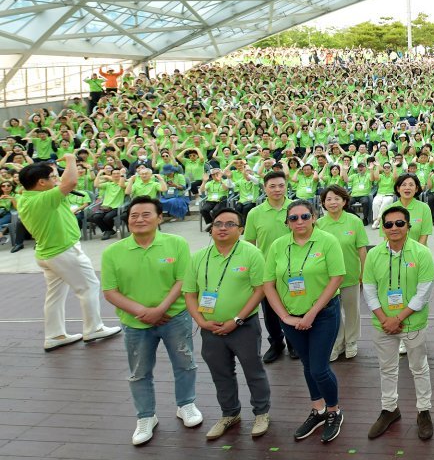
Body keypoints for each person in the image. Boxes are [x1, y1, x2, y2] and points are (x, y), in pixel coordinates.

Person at [100, 196, 200, 445]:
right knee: (139, 372)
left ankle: (186, 404)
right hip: (135, 323)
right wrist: (143, 311)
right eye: (134, 215)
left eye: (146, 214)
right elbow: (110, 291)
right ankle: (146, 416)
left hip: (174, 317)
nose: (139, 219)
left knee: (185, 362)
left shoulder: (176, 244)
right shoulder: (113, 252)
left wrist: (160, 309)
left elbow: (183, 280)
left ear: (159, 218)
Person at [262, 200, 348, 443]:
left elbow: (337, 277)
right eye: (293, 218)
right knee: (308, 365)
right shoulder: (279, 246)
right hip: (290, 317)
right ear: (287, 222)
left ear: (313, 217)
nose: (299, 222)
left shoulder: (327, 241)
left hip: (322, 314)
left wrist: (311, 313)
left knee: (319, 368)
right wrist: (284, 316)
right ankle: (318, 409)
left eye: (304, 216)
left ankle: (334, 411)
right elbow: (268, 283)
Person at [182, 207, 272, 440]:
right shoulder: (199, 257)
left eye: (230, 224)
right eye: (218, 223)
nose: (222, 228)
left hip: (243, 326)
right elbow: (190, 293)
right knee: (220, 373)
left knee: (253, 370)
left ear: (241, 230)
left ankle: (261, 412)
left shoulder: (251, 253)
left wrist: (237, 319)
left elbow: (259, 289)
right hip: (210, 328)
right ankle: (230, 413)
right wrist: (201, 321)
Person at [18, 157, 121, 351]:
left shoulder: (26, 197)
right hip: (63, 252)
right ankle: (94, 328)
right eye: (52, 177)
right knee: (89, 286)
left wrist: (56, 172)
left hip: (48, 254)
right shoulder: (43, 199)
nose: (55, 179)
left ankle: (55, 335)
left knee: (55, 295)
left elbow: (64, 183)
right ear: (41, 183)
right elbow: (71, 181)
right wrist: (72, 159)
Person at [363, 205, 434, 441]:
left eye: (399, 223)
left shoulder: (421, 253)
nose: (394, 228)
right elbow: (369, 290)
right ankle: (389, 409)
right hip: (382, 323)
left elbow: (424, 292)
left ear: (408, 226)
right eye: (388, 224)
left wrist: (399, 318)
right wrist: (385, 319)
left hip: (412, 322)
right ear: (382, 228)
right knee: (387, 367)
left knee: (419, 367)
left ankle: (424, 411)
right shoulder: (374, 255)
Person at [244, 171, 294, 363]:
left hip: (294, 268)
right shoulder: (254, 213)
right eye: (272, 186)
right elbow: (249, 244)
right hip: (267, 271)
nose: (277, 190)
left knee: (294, 306)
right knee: (270, 312)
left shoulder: (295, 208)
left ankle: (293, 342)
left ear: (286, 186)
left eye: (281, 185)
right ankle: (276, 343)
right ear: (264, 188)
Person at [316, 186, 368, 361]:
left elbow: (362, 249)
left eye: (337, 198)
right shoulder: (319, 224)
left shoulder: (354, 221)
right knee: (332, 312)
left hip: (350, 274)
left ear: (344, 201)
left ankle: (351, 341)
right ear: (323, 203)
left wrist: (364, 272)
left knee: (352, 310)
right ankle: (337, 343)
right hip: (326, 278)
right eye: (329, 199)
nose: (333, 202)